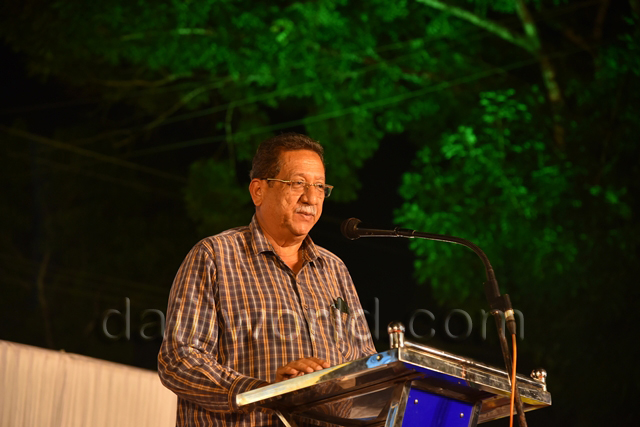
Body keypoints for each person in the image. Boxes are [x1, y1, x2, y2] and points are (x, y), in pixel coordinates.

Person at [158, 133, 376, 426]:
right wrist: (264, 393)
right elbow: (179, 359)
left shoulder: (334, 270)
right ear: (258, 191)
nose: (311, 198)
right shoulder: (215, 256)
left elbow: (366, 368)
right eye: (297, 183)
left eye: (319, 186)